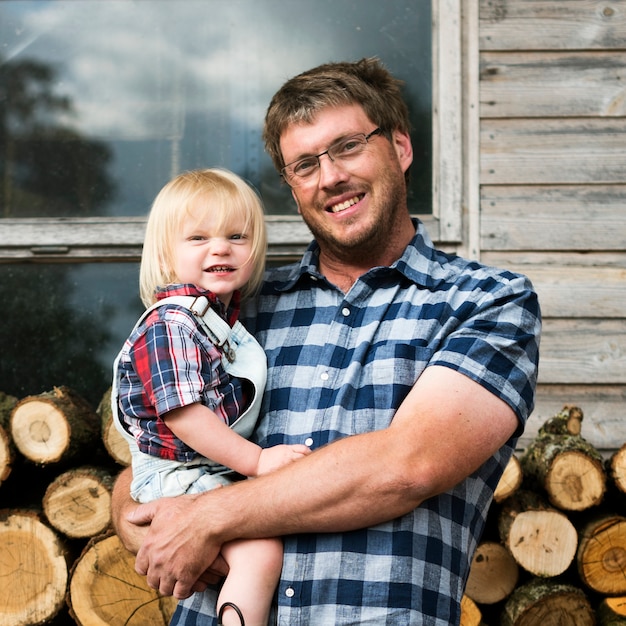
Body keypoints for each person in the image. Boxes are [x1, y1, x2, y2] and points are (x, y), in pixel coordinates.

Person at [112, 58, 541, 625]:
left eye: (347, 147)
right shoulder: (239, 310)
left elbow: (406, 466)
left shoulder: (486, 302)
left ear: (401, 148)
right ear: (291, 187)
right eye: (304, 164)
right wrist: (127, 512)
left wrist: (208, 517)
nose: (330, 176)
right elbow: (163, 446)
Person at [111, 168, 311, 626]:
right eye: (197, 237)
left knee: (247, 553)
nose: (220, 247)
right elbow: (186, 416)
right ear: (165, 253)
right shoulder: (172, 323)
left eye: (236, 236)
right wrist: (258, 463)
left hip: (200, 468)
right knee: (258, 551)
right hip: (176, 474)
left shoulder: (217, 321)